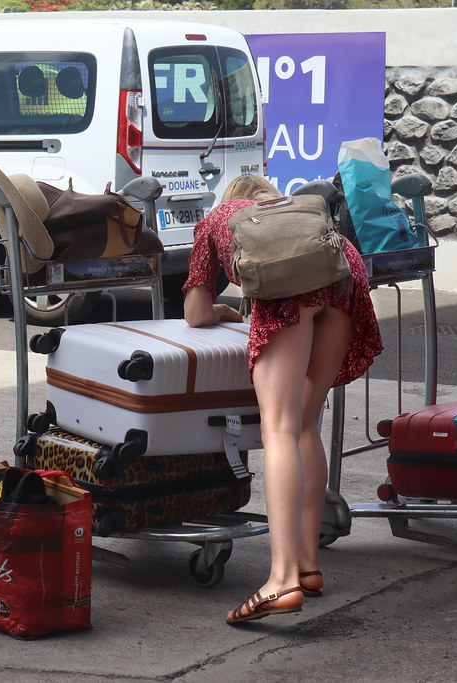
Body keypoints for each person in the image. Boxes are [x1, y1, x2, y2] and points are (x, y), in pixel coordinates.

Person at [182, 175, 383, 624]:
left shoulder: (218, 218)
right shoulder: (300, 212)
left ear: (234, 200)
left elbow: (195, 312)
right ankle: (308, 566)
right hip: (343, 276)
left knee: (279, 431)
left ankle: (281, 579)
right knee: (306, 423)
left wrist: (221, 310)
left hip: (291, 290)